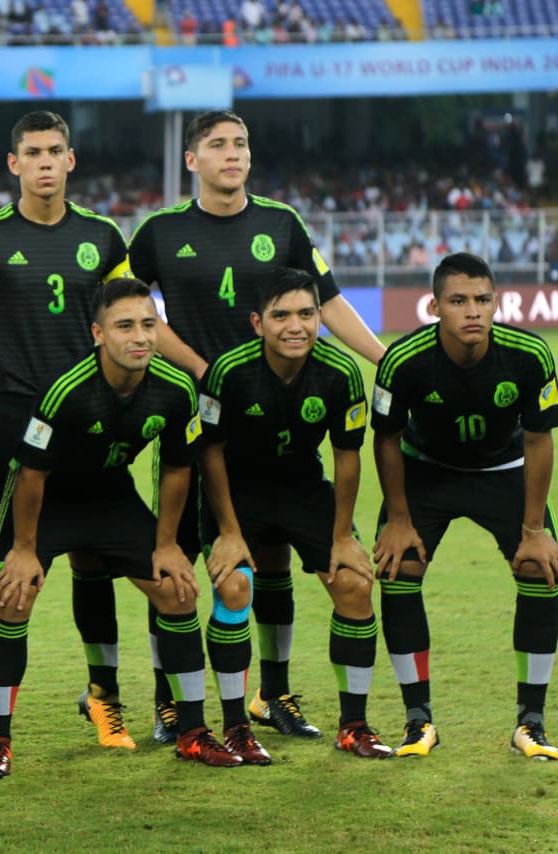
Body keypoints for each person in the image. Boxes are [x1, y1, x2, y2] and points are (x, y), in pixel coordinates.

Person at [129, 109, 385, 742]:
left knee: (269, 565)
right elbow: (133, 312)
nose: (232, 153)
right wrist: (203, 368)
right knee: (186, 572)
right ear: (192, 160)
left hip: (284, 426)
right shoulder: (160, 231)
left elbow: (325, 301)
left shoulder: (282, 223)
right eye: (217, 145)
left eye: (240, 143)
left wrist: (387, 359)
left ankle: (274, 694)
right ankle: (170, 701)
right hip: (199, 425)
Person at [0, 110, 134, 756]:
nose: (45, 162)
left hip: (89, 425)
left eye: (56, 151)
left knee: (94, 558)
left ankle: (104, 699)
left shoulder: (103, 238)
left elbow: (127, 312)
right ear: (13, 164)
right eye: (33, 152)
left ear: (71, 161)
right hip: (12, 424)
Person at [0, 278, 227, 779]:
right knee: (12, 595)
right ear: (98, 334)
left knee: (177, 590)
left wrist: (167, 544)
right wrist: (24, 549)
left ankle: (193, 733)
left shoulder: (176, 389)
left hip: (111, 496)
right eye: (125, 325)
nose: (141, 337)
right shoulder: (65, 390)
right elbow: (31, 474)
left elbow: (178, 468)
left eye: (149, 325)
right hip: (47, 501)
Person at [372, 252, 558, 760]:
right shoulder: (403, 359)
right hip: (426, 471)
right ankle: (418, 720)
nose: (473, 311)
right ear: (434, 306)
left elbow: (540, 441)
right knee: (399, 568)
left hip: (503, 471)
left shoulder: (529, 354)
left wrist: (533, 527)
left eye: (482, 299)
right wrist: (397, 518)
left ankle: (532, 721)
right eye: (459, 301)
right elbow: (386, 440)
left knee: (537, 568)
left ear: (496, 302)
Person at [196, 268, 391, 762]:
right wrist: (230, 531)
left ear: (320, 317)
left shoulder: (340, 372)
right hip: (237, 494)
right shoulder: (228, 372)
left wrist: (343, 534)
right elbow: (210, 452)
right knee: (236, 586)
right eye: (281, 315)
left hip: (304, 489)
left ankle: (354, 726)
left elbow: (348, 456)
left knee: (353, 583)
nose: (295, 326)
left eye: (307, 313)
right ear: (258, 322)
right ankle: (237, 726)